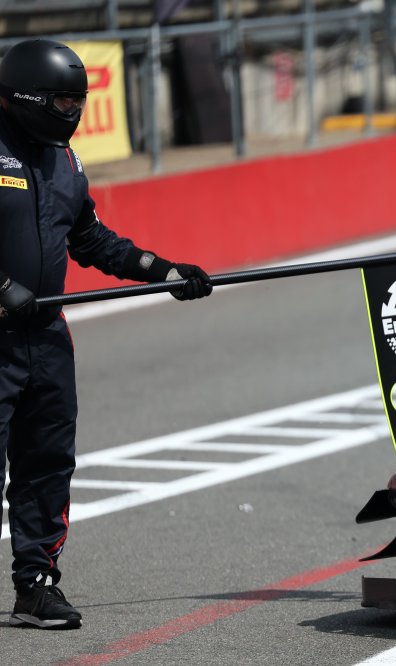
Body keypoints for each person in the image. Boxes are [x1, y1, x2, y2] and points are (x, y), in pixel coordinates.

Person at [0, 38, 212, 630]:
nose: (73, 112)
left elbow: (92, 239)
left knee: (48, 465)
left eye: (79, 102)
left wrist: (163, 272)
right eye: (63, 102)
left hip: (46, 338)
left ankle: (36, 586)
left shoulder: (65, 161)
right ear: (27, 98)